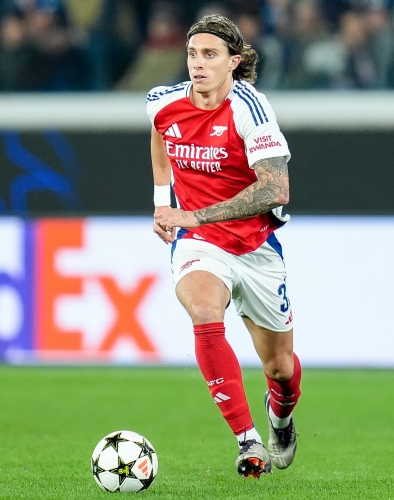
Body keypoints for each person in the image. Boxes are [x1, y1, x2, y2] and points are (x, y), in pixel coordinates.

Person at [146, 14, 302, 478]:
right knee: (203, 311)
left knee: (280, 368)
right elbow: (160, 135)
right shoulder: (163, 102)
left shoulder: (250, 108)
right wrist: (162, 202)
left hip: (255, 246)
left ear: (233, 62)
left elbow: (275, 189)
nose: (197, 63)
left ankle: (280, 419)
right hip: (199, 243)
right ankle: (247, 441)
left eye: (210, 55)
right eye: (192, 54)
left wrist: (192, 213)